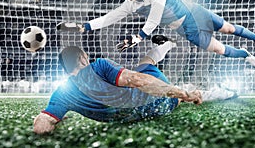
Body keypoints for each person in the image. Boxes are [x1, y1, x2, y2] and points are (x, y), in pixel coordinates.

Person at [57, 0, 255, 68]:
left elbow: (154, 20)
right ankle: (245, 54)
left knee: (229, 29)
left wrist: (138, 37)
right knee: (220, 50)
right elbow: (108, 18)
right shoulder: (130, 5)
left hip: (194, 13)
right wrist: (83, 27)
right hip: (186, 30)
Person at [33, 36, 203, 135]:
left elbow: (40, 125)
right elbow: (138, 80)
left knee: (167, 97)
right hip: (155, 102)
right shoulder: (98, 66)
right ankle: (167, 45)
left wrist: (55, 123)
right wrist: (183, 94)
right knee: (144, 66)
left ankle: (183, 93)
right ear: (82, 58)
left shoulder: (63, 94)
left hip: (146, 113)